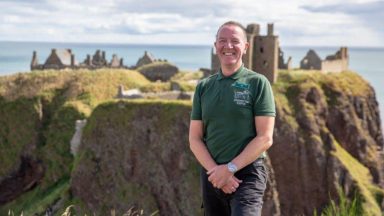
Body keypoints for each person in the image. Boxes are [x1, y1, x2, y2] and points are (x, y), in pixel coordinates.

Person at [189, 21, 276, 216]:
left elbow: (265, 138)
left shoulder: (258, 83)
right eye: (222, 41)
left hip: (247, 174)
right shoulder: (203, 87)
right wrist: (217, 172)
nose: (228, 46)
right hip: (212, 175)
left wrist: (230, 169)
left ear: (245, 47)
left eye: (235, 41)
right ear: (215, 46)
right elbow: (194, 138)